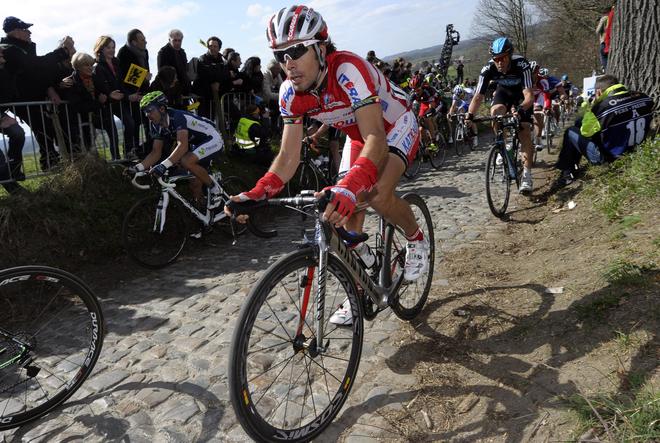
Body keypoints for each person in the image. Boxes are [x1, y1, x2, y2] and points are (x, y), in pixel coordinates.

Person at [226, 5, 429, 325]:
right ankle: (361, 279)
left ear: (321, 48)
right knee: (340, 206)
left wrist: (350, 187)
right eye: (280, 55)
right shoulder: (290, 94)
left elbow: (377, 136)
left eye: (296, 51)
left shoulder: (348, 70)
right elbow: (289, 156)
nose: (287, 64)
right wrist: (258, 192)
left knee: (373, 195)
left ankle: (416, 238)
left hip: (393, 126)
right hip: (361, 135)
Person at [1, 16, 75, 170]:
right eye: (25, 29)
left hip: (34, 96)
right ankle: (16, 170)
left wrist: (50, 88)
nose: (29, 32)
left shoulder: (23, 48)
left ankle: (50, 161)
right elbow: (35, 66)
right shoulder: (9, 50)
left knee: (47, 127)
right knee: (41, 128)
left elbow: (38, 73)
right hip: (21, 99)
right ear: (15, 32)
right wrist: (62, 51)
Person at [553, 75, 654, 187]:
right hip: (641, 149)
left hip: (612, 158)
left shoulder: (601, 107)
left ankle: (567, 173)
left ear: (599, 91)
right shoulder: (643, 97)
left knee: (571, 131)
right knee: (580, 122)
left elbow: (586, 132)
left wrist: (592, 106)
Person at [132, 91, 225, 208]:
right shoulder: (156, 125)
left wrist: (163, 165)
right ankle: (206, 216)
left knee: (186, 161)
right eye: (145, 111)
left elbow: (182, 145)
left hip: (212, 138)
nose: (147, 115)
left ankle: (215, 188)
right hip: (197, 144)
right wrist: (137, 168)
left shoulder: (177, 117)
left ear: (161, 108)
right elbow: (155, 152)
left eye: (150, 110)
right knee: (194, 183)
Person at [467, 37, 535, 193]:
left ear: (509, 55)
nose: (499, 62)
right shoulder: (488, 69)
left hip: (521, 95)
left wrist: (520, 109)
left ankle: (527, 175)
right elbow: (478, 97)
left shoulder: (521, 64)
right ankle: (501, 144)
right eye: (496, 59)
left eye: (503, 58)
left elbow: (529, 97)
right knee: (495, 112)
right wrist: (469, 116)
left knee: (524, 130)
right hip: (503, 92)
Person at [93, 35, 137, 160]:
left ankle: (128, 152)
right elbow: (98, 86)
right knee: (113, 133)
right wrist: (109, 95)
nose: (112, 50)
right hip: (106, 104)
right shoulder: (97, 67)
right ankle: (116, 159)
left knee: (130, 123)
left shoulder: (116, 64)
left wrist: (128, 96)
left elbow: (121, 85)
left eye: (113, 47)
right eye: (108, 47)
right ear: (100, 48)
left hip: (119, 101)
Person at [117, 28, 151, 157]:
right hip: (131, 95)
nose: (146, 42)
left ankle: (149, 149)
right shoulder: (123, 53)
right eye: (142, 40)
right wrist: (143, 76)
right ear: (134, 42)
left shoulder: (145, 52)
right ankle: (132, 152)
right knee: (135, 123)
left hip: (143, 92)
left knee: (148, 121)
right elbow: (124, 77)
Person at [0, 43, 26, 193]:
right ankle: (13, 189)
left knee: (18, 133)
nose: (2, 52)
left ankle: (13, 169)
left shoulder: (4, 71)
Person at [192, 36, 230, 119]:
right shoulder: (202, 59)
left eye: (215, 46)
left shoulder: (223, 60)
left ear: (219, 48)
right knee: (204, 119)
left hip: (216, 95)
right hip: (203, 95)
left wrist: (218, 82)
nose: (212, 48)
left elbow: (226, 74)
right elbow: (206, 73)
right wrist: (215, 79)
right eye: (210, 46)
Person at [157, 29, 190, 96]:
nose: (177, 43)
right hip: (170, 91)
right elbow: (162, 73)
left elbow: (184, 71)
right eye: (175, 40)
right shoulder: (163, 52)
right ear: (169, 40)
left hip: (182, 89)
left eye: (179, 40)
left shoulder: (182, 52)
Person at [448, 83, 478, 148]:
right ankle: (461, 124)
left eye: (461, 95)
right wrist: (450, 114)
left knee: (471, 118)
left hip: (472, 103)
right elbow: (453, 106)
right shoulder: (455, 95)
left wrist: (471, 114)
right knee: (460, 110)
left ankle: (475, 136)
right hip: (465, 104)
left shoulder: (470, 92)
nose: (461, 97)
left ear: (463, 91)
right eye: (459, 96)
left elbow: (476, 102)